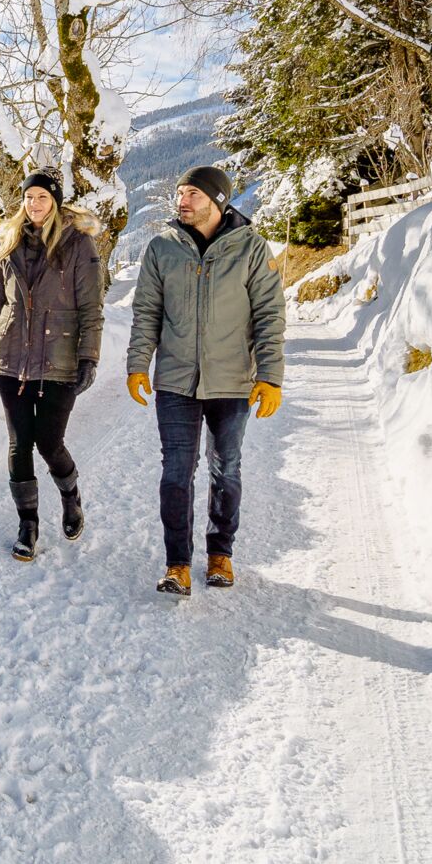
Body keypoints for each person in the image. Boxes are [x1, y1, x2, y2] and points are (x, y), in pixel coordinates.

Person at [125, 164, 285, 596]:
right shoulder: (162, 248)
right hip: (176, 382)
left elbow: (270, 316)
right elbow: (147, 314)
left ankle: (220, 554)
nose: (183, 200)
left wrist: (269, 376)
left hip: (232, 382)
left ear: (218, 201)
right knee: (176, 473)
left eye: (193, 193)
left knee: (225, 468)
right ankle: (178, 564)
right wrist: (138, 364)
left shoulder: (251, 249)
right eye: (180, 192)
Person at [0, 171, 104, 563]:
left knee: (49, 441)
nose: (35, 204)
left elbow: (91, 309)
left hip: (58, 360)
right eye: (29, 198)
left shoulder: (78, 245)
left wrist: (88, 357)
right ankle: (28, 525)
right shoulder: (9, 245)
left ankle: (70, 495)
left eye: (42, 197)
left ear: (56, 201)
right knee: (18, 443)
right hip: (11, 360)